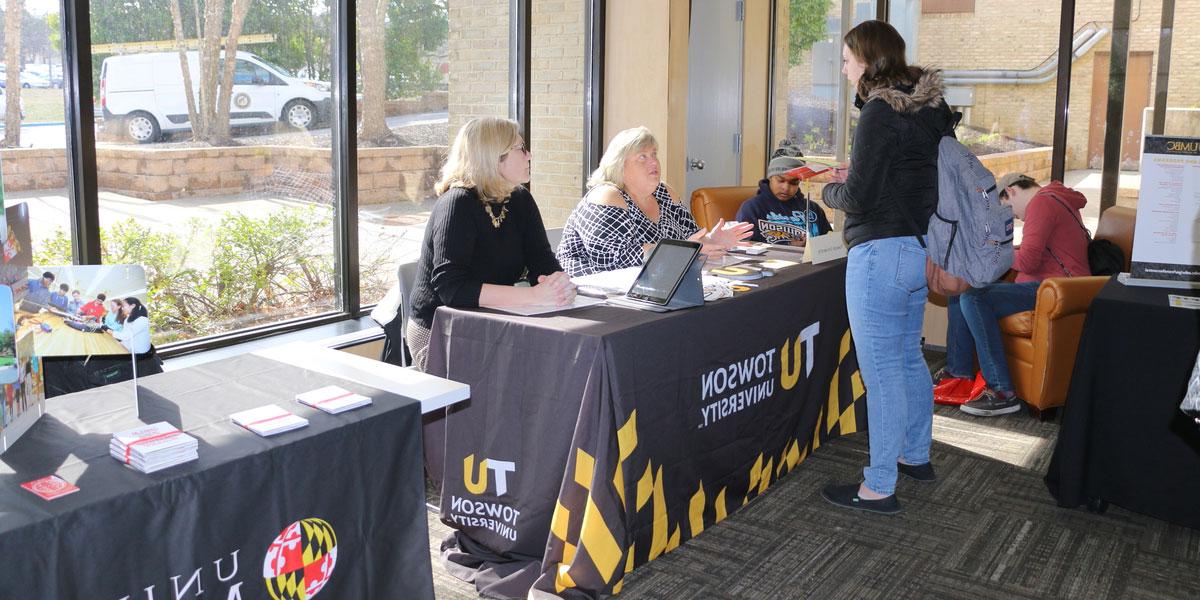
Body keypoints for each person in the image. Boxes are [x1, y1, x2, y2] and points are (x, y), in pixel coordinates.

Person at [818, 20, 954, 515]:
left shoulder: (879, 110)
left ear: (869, 59)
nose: (844, 64)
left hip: (879, 253)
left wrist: (829, 190)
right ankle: (915, 455)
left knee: (881, 373)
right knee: (909, 357)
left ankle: (878, 484)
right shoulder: (930, 107)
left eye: (849, 55)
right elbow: (912, 175)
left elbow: (858, 197)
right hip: (919, 250)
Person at [406, 117, 574, 372]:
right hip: (441, 332)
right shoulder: (458, 203)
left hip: (497, 321)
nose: (529, 155)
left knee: (556, 366)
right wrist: (531, 295)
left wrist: (559, 284)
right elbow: (452, 289)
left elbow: (542, 260)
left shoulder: (520, 199)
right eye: (521, 148)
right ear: (494, 157)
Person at [938, 173, 1090, 417]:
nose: (1014, 218)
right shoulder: (1055, 199)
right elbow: (1034, 253)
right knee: (961, 291)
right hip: (1056, 288)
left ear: (1010, 191)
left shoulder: (1042, 203)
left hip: (1057, 289)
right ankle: (959, 375)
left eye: (1007, 209)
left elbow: (1028, 261)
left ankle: (1001, 392)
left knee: (973, 297)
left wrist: (993, 251)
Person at [556, 126, 753, 276]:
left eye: (654, 154)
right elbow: (612, 259)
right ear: (619, 165)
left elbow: (692, 240)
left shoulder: (664, 192)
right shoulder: (607, 195)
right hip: (589, 293)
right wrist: (680, 251)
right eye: (642, 157)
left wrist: (709, 241)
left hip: (652, 285)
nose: (654, 162)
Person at [736, 141, 832, 245]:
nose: (786, 188)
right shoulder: (752, 208)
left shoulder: (813, 209)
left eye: (793, 183)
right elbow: (745, 248)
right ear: (770, 177)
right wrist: (788, 246)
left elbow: (829, 247)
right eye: (780, 180)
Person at [107, 297, 164, 375]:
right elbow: (125, 337)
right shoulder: (128, 320)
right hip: (131, 351)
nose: (122, 308)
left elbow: (126, 336)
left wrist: (110, 331)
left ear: (133, 305)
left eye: (124, 306)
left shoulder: (142, 320)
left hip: (141, 356)